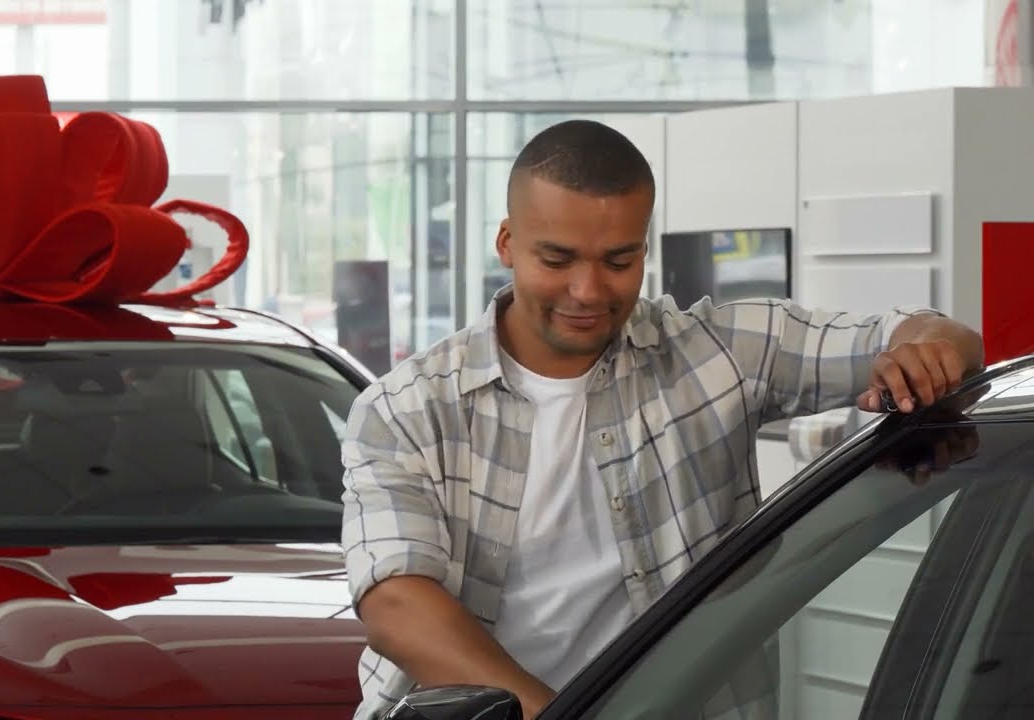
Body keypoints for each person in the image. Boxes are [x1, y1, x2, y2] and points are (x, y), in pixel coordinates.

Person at [339, 119, 984, 720]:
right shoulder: (408, 408)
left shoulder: (721, 353)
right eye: (558, 260)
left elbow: (936, 335)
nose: (588, 291)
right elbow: (398, 602)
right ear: (507, 243)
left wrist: (927, 353)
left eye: (618, 261)